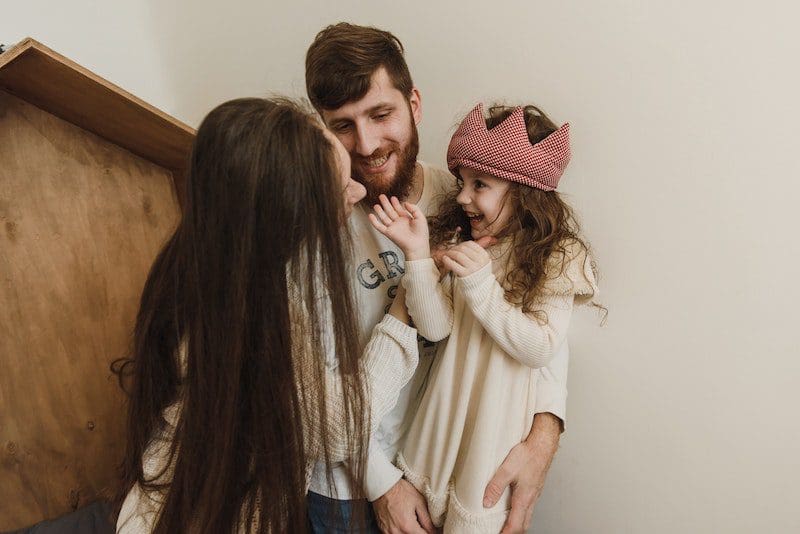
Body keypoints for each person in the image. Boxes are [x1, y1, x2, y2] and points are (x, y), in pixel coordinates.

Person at [113, 97, 423, 533]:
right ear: (289, 217)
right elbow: (337, 426)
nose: (357, 192)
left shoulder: (208, 252)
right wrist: (404, 310)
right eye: (340, 188)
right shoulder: (257, 317)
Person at [305, 23, 569, 534]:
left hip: (450, 463)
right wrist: (379, 482)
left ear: (414, 104)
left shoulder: (471, 191)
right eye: (342, 125)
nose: (366, 144)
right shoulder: (315, 223)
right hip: (346, 486)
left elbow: (543, 314)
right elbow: (312, 387)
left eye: (381, 114)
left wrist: (543, 437)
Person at [369, 103, 599, 532]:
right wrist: (419, 257)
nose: (462, 196)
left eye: (480, 185)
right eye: (462, 182)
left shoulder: (559, 256)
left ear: (524, 192)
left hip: (492, 437)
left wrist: (481, 284)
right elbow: (437, 329)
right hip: (439, 425)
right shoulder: (467, 241)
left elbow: (539, 347)